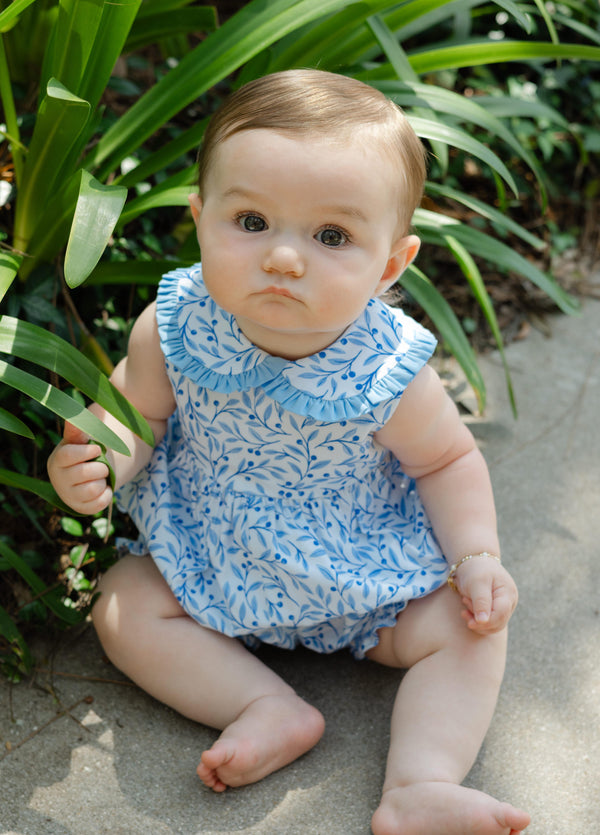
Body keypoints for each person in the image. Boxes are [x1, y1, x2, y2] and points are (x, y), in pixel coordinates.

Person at [48, 69, 530, 835]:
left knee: (473, 628)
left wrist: (477, 553)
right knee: (122, 605)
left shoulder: (388, 371)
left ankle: (421, 781)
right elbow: (134, 418)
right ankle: (264, 704)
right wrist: (99, 463)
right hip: (210, 558)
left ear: (390, 264)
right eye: (250, 221)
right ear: (200, 219)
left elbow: (445, 462)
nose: (283, 258)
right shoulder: (172, 329)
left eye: (331, 236)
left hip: (361, 576)